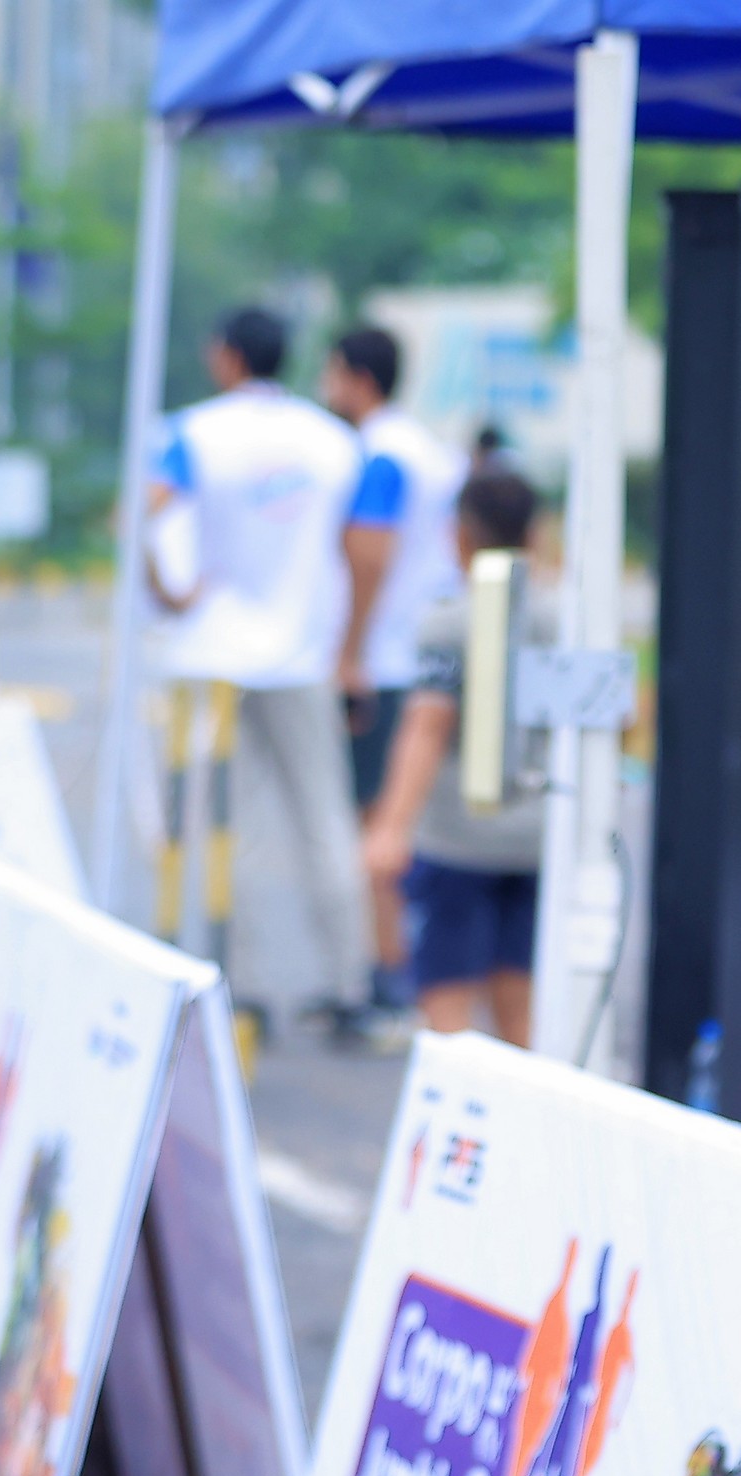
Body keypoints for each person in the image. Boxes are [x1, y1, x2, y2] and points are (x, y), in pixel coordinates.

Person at [144, 305, 375, 1046]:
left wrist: (168, 592)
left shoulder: (192, 433)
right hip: (304, 652)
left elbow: (145, 517)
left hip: (213, 656)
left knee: (225, 827)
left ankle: (236, 987)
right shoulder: (333, 441)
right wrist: (351, 648)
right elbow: (364, 550)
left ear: (226, 356)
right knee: (325, 821)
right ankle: (348, 983)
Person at [360, 465, 546, 1041]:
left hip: (458, 841)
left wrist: (390, 827)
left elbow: (428, 725)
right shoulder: (563, 617)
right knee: (520, 1014)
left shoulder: (449, 623)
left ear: (458, 535)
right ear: (535, 534)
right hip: (538, 840)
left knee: (447, 1012)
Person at [323, 323, 466, 1028]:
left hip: (385, 659)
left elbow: (369, 556)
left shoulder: (379, 456)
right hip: (432, 649)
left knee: (378, 822)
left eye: (331, 372)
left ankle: (391, 975)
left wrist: (348, 652)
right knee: (416, 818)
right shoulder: (431, 451)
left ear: (357, 377)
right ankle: (413, 970)